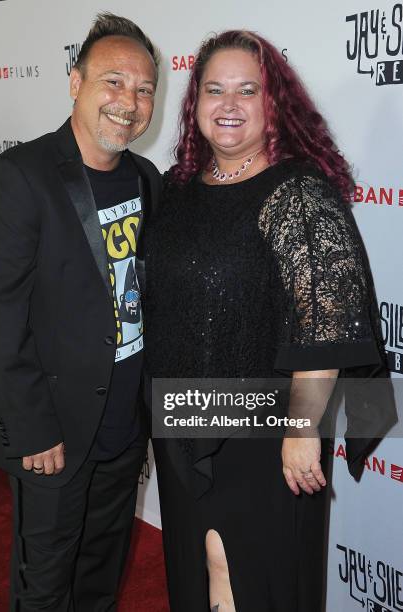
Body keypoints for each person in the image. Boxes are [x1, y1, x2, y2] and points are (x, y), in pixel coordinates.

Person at [144, 30, 395, 611]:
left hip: (266, 435)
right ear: (195, 103)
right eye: (214, 89)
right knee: (198, 571)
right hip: (183, 424)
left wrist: (303, 428)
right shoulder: (179, 191)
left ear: (273, 103)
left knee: (245, 577)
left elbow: (328, 325)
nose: (228, 104)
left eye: (247, 90)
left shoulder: (298, 194)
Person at [0, 13, 161, 611]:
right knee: (46, 581)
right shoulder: (20, 176)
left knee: (101, 572)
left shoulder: (147, 179)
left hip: (124, 424)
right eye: (113, 81)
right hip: (54, 430)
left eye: (145, 89)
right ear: (75, 82)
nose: (129, 102)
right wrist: (34, 428)